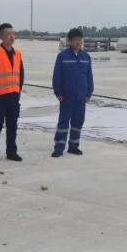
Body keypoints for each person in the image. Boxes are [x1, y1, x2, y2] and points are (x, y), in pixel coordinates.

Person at [0, 23, 24, 163]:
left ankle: (11, 152)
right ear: (1, 36)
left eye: (13, 34)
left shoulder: (17, 54)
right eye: (8, 34)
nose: (11, 37)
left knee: (12, 126)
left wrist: (18, 91)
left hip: (13, 96)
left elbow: (21, 75)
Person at [51, 28, 93, 157]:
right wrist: (58, 92)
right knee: (63, 122)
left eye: (80, 40)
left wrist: (89, 92)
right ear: (69, 41)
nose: (78, 42)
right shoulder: (62, 56)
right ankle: (59, 147)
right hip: (66, 96)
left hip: (81, 96)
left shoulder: (86, 57)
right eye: (75, 40)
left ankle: (74, 146)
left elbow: (89, 76)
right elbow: (57, 76)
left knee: (78, 121)